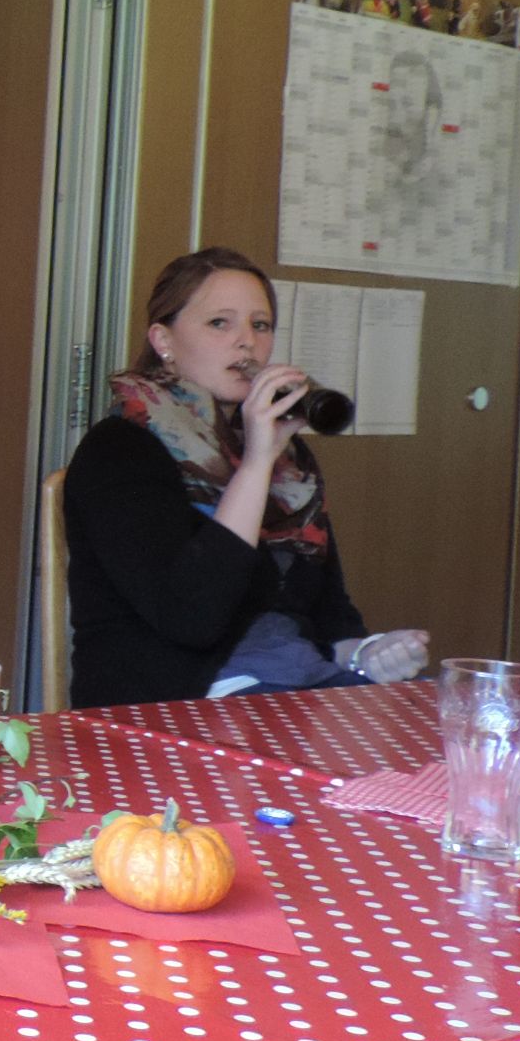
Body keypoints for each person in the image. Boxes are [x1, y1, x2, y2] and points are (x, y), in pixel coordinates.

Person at [62, 246, 428, 708]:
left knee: (443, 722)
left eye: (261, 325)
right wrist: (255, 466)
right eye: (220, 323)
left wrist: (368, 654)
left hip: (296, 688)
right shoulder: (120, 449)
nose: (246, 343)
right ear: (163, 340)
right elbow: (189, 617)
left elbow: (328, 615)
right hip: (175, 703)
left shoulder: (283, 455)